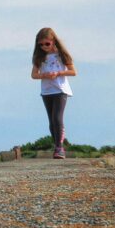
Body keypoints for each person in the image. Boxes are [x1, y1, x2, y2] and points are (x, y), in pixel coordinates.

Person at [31, 27, 76, 159]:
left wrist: (58, 73)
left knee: (57, 118)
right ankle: (57, 144)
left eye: (47, 44)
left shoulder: (62, 55)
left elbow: (73, 72)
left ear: (53, 41)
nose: (44, 47)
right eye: (41, 44)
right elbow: (34, 75)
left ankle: (59, 148)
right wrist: (45, 75)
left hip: (60, 90)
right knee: (51, 121)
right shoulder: (39, 57)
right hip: (46, 91)